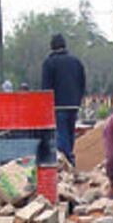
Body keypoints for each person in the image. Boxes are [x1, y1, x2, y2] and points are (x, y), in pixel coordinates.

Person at [41, 33, 86, 166]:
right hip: (73, 104)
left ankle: (67, 158)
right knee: (70, 132)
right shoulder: (76, 62)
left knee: (61, 133)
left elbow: (46, 87)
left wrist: (46, 105)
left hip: (58, 105)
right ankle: (69, 154)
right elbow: (82, 82)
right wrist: (78, 99)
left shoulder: (49, 63)